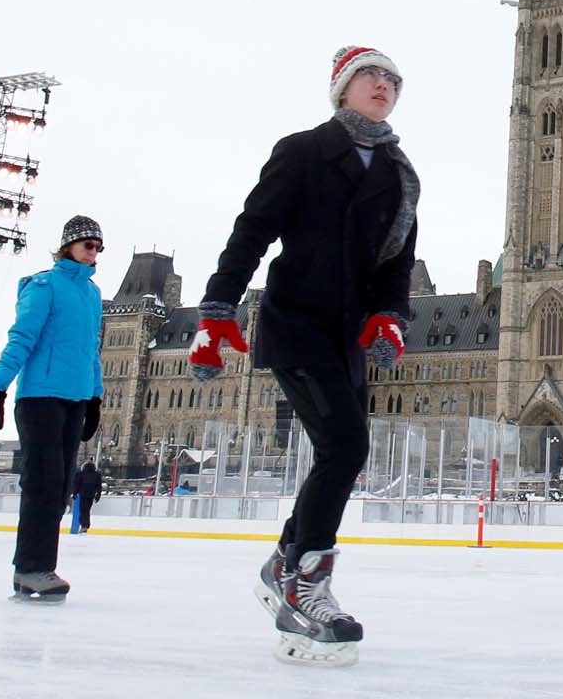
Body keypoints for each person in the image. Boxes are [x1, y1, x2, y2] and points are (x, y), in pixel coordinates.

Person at [190, 46, 417, 666]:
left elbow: (397, 262)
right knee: (345, 447)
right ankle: (302, 583)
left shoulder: (401, 174)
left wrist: (389, 315)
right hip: (297, 323)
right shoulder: (302, 149)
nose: (383, 86)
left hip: (347, 335)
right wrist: (217, 309)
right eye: (371, 77)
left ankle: (284, 562)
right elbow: (252, 231)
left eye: (392, 80)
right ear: (342, 89)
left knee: (343, 449)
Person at [0, 215, 105, 602]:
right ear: (68, 245)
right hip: (40, 397)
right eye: (88, 244)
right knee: (42, 481)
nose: (93, 252)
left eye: (98, 247)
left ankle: (39, 568)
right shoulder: (43, 286)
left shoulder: (92, 294)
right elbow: (21, 338)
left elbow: (90, 351)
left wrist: (96, 397)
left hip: (75, 398)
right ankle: (30, 567)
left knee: (60, 485)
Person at [71, 461, 102, 532]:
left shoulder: (80, 474)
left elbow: (77, 484)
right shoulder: (97, 475)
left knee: (83, 510)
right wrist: (97, 496)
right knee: (87, 510)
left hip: (83, 494)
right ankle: (85, 525)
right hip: (91, 494)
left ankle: (84, 525)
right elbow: (99, 487)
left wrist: (74, 493)